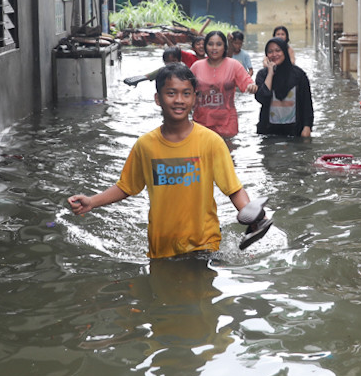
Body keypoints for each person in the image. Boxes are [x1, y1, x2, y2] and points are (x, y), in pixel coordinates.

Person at [69, 63, 271, 257]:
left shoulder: (211, 142)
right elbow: (126, 187)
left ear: (194, 98)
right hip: (161, 246)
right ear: (158, 99)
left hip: (204, 243)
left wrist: (254, 218)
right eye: (171, 93)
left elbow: (233, 188)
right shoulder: (145, 146)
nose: (179, 100)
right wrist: (91, 202)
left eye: (186, 93)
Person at [191, 29, 258, 141]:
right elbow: (186, 89)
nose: (214, 48)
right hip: (202, 121)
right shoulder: (196, 66)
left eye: (218, 44)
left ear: (224, 47)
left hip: (227, 123)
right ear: (206, 46)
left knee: (228, 151)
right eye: (210, 44)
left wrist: (252, 86)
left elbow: (247, 82)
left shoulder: (233, 65)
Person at [254, 36, 313, 137]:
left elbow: (307, 103)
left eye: (278, 50)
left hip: (295, 130)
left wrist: (307, 126)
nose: (274, 54)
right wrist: (270, 74)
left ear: (285, 51)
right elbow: (262, 98)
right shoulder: (262, 75)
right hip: (268, 131)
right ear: (266, 55)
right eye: (270, 52)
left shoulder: (299, 75)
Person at [123, 45, 196, 87]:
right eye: (167, 61)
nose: (171, 64)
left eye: (173, 61)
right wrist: (135, 80)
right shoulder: (163, 71)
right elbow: (148, 76)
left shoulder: (185, 71)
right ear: (164, 61)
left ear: (179, 60)